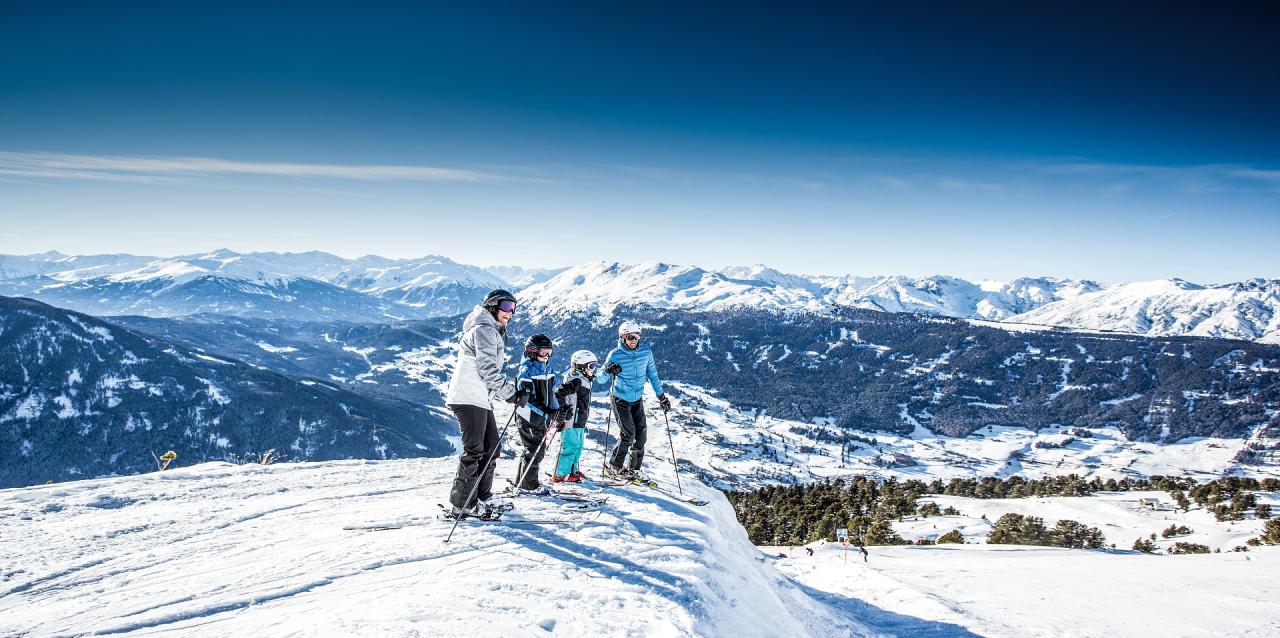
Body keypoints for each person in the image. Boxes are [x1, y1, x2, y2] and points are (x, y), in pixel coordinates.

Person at [444, 289, 520, 518]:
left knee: (492, 446)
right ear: (492, 306)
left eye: (513, 308)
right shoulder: (484, 328)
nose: (510, 312)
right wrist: (511, 394)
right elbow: (487, 369)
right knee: (474, 450)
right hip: (468, 396)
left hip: (479, 397)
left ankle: (483, 496)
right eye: (506, 306)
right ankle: (462, 504)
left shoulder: (491, 328)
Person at [596, 320, 670, 480]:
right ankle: (614, 466)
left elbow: (653, 375)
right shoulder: (615, 355)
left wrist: (662, 397)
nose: (634, 340)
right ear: (622, 337)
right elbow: (599, 379)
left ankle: (634, 469)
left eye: (637, 336)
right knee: (628, 434)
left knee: (641, 436)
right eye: (630, 336)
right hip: (620, 399)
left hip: (637, 399)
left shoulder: (646, 352)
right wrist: (608, 370)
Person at [512, 334, 561, 493]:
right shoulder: (526, 371)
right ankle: (529, 486)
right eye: (543, 352)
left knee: (533, 450)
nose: (546, 356)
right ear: (532, 351)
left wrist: (557, 411)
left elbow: (551, 394)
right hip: (528, 417)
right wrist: (548, 412)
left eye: (549, 352)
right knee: (535, 451)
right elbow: (528, 400)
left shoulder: (548, 369)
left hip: (541, 418)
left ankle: (522, 482)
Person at [551, 349, 598, 482]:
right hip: (571, 421)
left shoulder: (584, 379)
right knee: (570, 447)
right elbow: (558, 394)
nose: (594, 369)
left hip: (579, 421)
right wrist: (563, 410)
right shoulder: (575, 381)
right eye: (591, 366)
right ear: (581, 366)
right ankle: (560, 474)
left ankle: (572, 471)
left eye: (595, 366)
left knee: (577, 447)